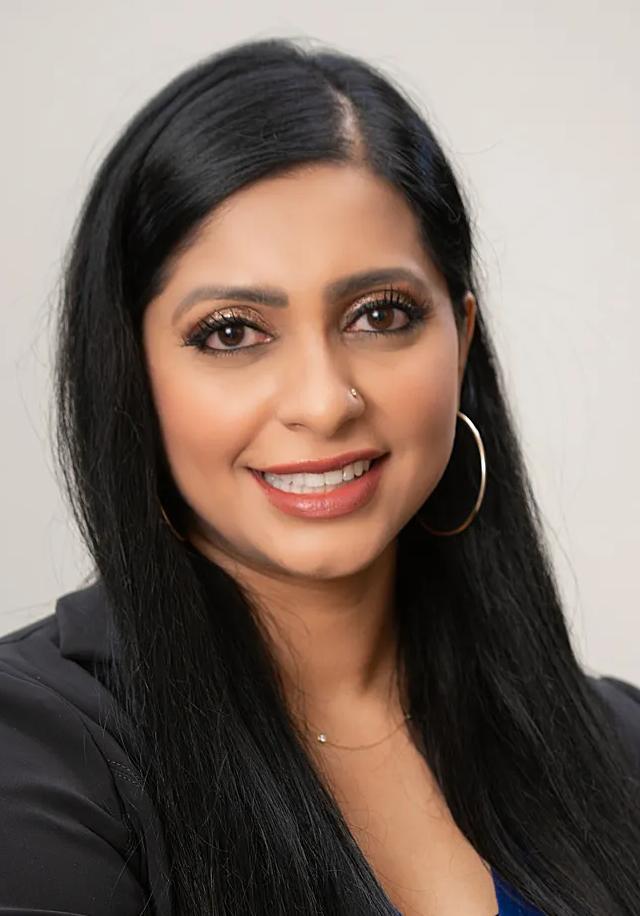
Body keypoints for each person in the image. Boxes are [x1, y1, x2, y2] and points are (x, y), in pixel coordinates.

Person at [0, 36, 638, 916]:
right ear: (129, 372)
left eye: (380, 315)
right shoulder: (35, 755)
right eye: (232, 332)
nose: (324, 402)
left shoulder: (618, 750)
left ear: (461, 337)